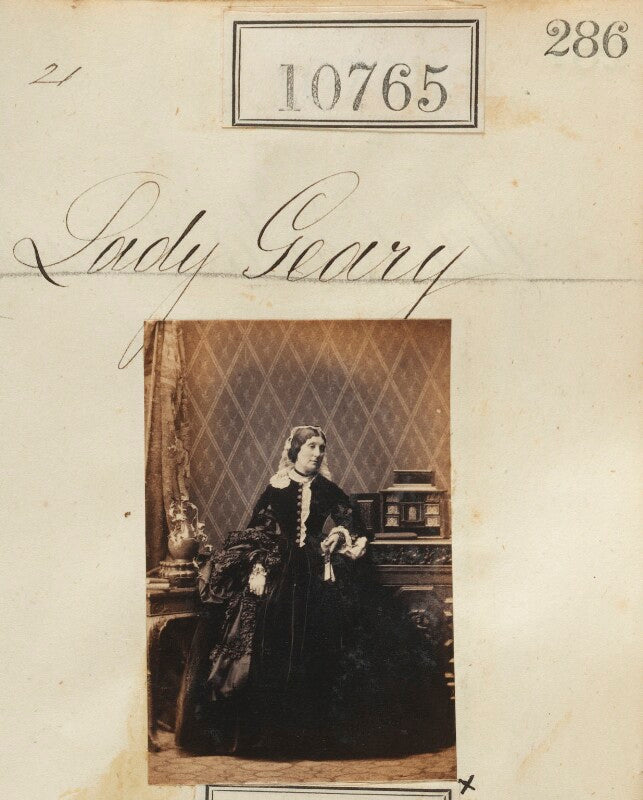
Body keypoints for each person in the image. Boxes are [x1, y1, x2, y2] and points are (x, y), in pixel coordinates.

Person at [176, 425, 452, 758]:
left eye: (322, 447)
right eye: (311, 446)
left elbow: (353, 522)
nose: (318, 453)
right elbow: (257, 531)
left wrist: (339, 534)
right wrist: (259, 567)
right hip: (280, 568)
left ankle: (316, 733)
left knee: (334, 635)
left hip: (318, 566)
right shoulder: (277, 486)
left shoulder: (326, 488)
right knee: (262, 630)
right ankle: (268, 732)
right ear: (294, 449)